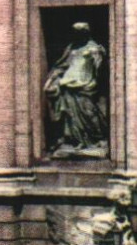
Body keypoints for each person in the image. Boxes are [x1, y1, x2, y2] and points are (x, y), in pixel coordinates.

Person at [44, 22, 108, 153]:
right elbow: (62, 64)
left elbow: (99, 64)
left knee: (88, 112)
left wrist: (96, 56)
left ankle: (95, 139)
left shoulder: (94, 47)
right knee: (70, 114)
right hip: (68, 84)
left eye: (81, 32)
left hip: (86, 85)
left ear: (86, 33)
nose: (78, 35)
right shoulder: (72, 47)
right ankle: (77, 140)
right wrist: (53, 78)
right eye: (76, 33)